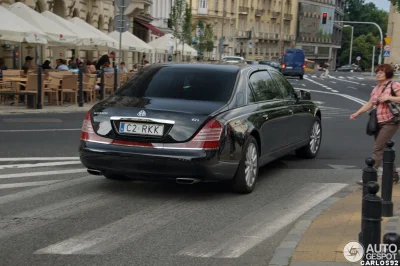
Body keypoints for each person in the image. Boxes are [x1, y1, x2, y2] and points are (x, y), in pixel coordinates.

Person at [350, 64, 400, 184]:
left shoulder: (394, 85)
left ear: (387, 74)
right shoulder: (376, 88)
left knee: (377, 148)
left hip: (391, 120)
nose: (378, 74)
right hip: (378, 121)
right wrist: (357, 113)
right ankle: (393, 174)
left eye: (381, 73)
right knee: (382, 149)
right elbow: (370, 104)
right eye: (377, 72)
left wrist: (389, 97)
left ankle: (369, 177)